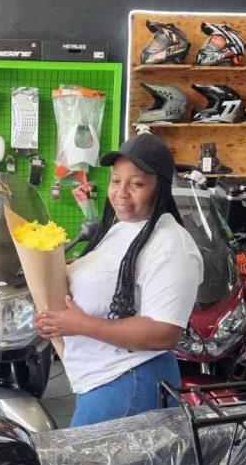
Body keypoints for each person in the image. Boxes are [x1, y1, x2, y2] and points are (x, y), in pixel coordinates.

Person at [35, 133, 203, 427]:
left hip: (127, 381)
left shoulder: (171, 245)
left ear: (161, 188)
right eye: (115, 181)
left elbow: (164, 332)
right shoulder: (123, 228)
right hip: (101, 380)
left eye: (136, 184)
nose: (121, 193)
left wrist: (79, 324)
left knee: (82, 458)